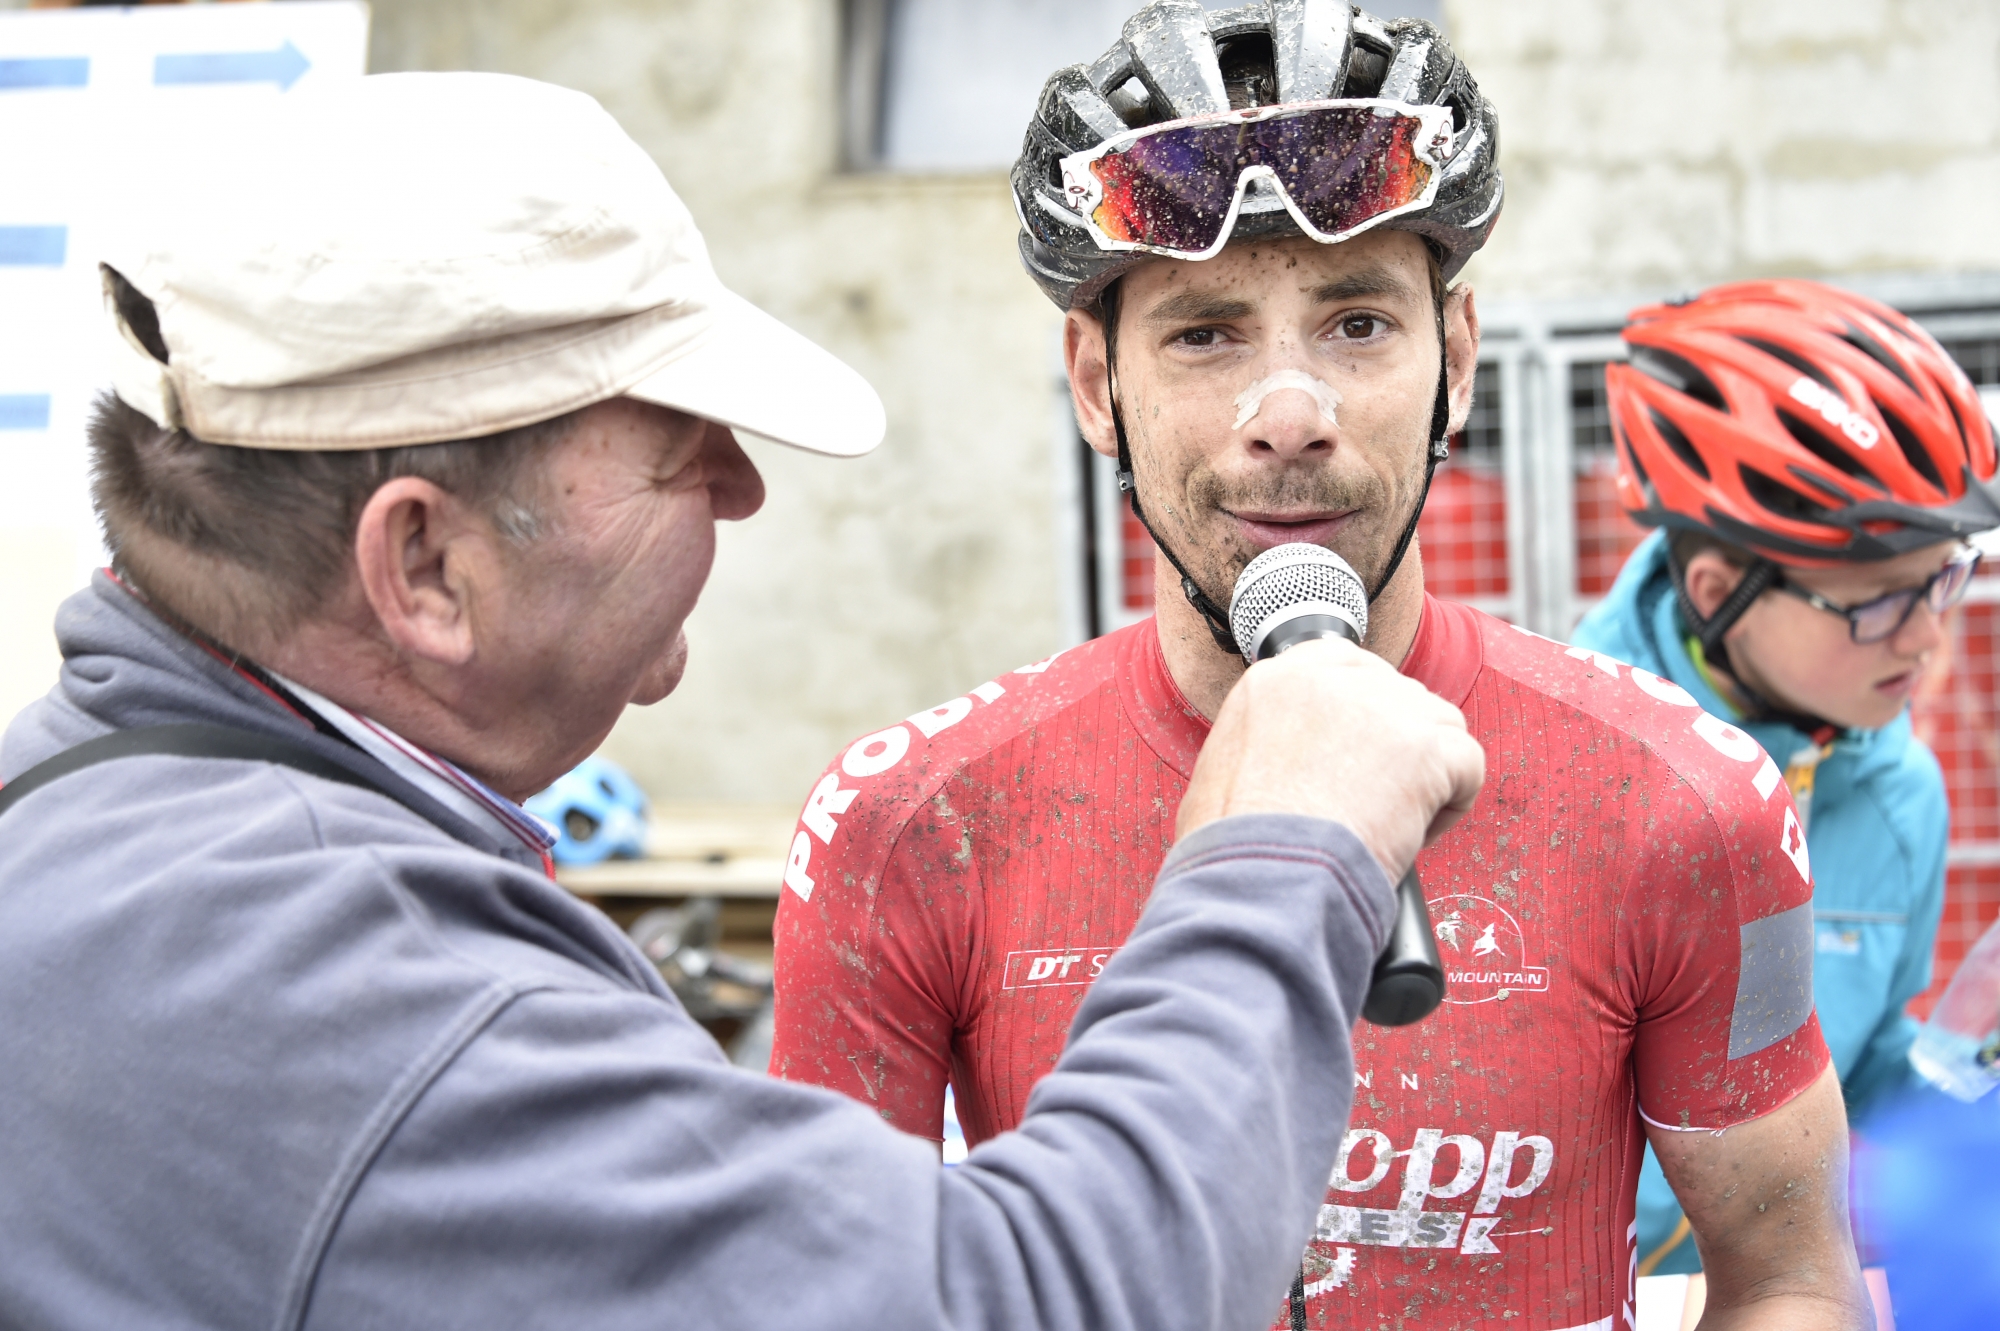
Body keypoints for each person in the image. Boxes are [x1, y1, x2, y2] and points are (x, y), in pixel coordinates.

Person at [0, 71, 1491, 1331]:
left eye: (1359, 322)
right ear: (423, 564)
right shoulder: (363, 1010)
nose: (743, 482)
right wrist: (1282, 849)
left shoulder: (97, 818)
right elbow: (1039, 1298)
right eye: (677, 443)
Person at [770, 4, 1871, 1327]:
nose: (1289, 411)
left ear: (1456, 361)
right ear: (1091, 381)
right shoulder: (906, 828)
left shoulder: (1689, 803)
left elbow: (1793, 1278)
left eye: (1356, 322)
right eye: (1203, 332)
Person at [1568, 279, 2000, 1276]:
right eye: (1877, 604)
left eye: (1942, 577)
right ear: (1719, 592)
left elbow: (1861, 1068)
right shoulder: (1551, 779)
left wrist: (1965, 1100)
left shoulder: (1902, 799)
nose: (1929, 637)